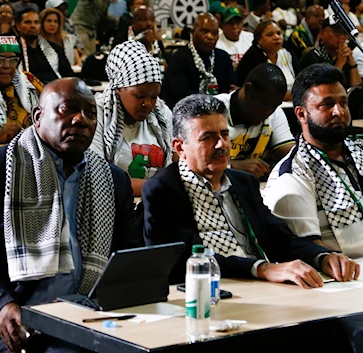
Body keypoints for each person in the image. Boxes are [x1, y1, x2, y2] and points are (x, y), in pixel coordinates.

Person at [0, 77, 142, 353]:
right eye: (67, 109)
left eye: (90, 113)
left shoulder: (113, 180)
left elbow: (131, 255)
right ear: (37, 116)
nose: (80, 120)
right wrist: (1, 306)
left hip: (89, 315)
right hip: (18, 319)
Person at [142, 93, 359, 287]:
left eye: (224, 135)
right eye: (208, 138)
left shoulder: (242, 182)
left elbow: (278, 237)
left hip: (262, 288)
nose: (221, 145)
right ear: (180, 147)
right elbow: (185, 260)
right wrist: (261, 268)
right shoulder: (163, 190)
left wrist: (322, 256)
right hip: (209, 293)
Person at [264, 63, 363, 258]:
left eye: (343, 103)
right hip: (346, 275)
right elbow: (309, 249)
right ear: (301, 114)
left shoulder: (357, 151)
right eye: (327, 104)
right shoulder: (292, 174)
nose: (339, 112)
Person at [90, 41, 173, 196]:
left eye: (154, 96)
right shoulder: (97, 114)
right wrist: (159, 188)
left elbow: (177, 163)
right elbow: (98, 177)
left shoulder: (161, 113)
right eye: (139, 96)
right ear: (119, 88)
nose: (148, 104)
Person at [216, 63, 295, 178]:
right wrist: (233, 166)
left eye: (274, 106)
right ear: (248, 90)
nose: (268, 112)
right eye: (264, 104)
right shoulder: (214, 111)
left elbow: (290, 155)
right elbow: (192, 160)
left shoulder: (275, 112)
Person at [163, 13, 236, 108]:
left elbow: (231, 89)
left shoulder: (224, 57)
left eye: (215, 33)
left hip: (219, 112)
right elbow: (180, 95)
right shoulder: (179, 58)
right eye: (204, 31)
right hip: (185, 113)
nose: (210, 37)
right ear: (193, 32)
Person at [236, 20, 298, 100]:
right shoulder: (253, 57)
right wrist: (293, 96)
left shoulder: (287, 53)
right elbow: (259, 92)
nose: (276, 37)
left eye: (279, 33)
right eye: (270, 35)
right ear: (259, 40)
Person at [300, 18, 362, 89]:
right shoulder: (311, 56)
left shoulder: (344, 56)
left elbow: (357, 89)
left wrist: (352, 65)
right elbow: (323, 89)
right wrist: (339, 64)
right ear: (322, 33)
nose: (341, 37)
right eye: (337, 32)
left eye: (344, 33)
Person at [17, 8, 74, 83]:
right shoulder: (14, 50)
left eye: (36, 22)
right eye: (28, 22)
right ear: (18, 26)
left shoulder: (55, 48)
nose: (33, 26)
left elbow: (68, 74)